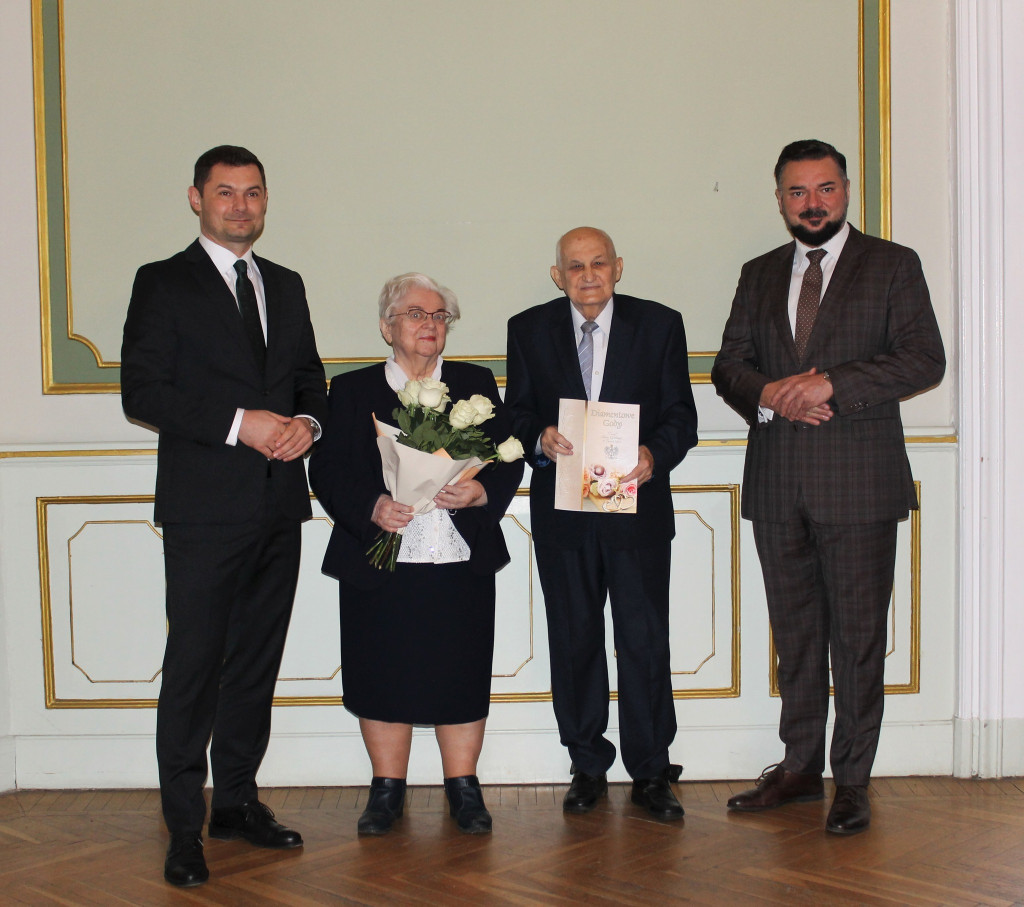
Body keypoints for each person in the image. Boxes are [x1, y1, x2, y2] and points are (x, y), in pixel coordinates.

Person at [711, 140, 945, 835]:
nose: (812, 203)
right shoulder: (758, 273)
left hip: (860, 484)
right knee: (797, 637)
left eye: (825, 189)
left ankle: (852, 780)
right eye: (797, 192)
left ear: (845, 190)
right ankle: (798, 768)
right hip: (778, 484)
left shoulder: (893, 264)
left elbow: (923, 358)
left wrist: (832, 385)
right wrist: (770, 394)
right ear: (780, 199)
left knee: (858, 640)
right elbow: (729, 365)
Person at [121, 145, 327, 886]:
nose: (241, 206)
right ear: (196, 199)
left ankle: (236, 801)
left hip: (279, 505)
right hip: (204, 511)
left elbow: (309, 378)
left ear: (266, 201)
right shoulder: (162, 282)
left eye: (253, 193)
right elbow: (143, 392)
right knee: (194, 668)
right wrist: (244, 424)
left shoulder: (286, 283)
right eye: (226, 193)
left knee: (255, 665)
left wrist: (308, 423)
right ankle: (184, 827)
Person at [309, 273, 523, 836]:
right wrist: (372, 507)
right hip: (379, 554)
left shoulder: (474, 383)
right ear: (387, 327)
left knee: (461, 665)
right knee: (380, 666)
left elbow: (507, 455)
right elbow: (326, 470)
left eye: (438, 316)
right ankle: (386, 791)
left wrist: (481, 492)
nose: (429, 324)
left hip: (458, 552)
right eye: (415, 314)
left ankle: (464, 788)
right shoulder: (351, 389)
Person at [504, 227, 698, 820]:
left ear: (618, 267)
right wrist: (538, 436)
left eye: (598, 264)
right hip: (563, 514)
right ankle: (587, 764)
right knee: (574, 639)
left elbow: (681, 416)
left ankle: (651, 769)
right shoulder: (528, 328)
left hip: (637, 511)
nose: (588, 276)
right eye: (575, 266)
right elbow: (516, 411)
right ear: (557, 276)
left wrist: (653, 455)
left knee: (643, 641)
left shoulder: (659, 325)